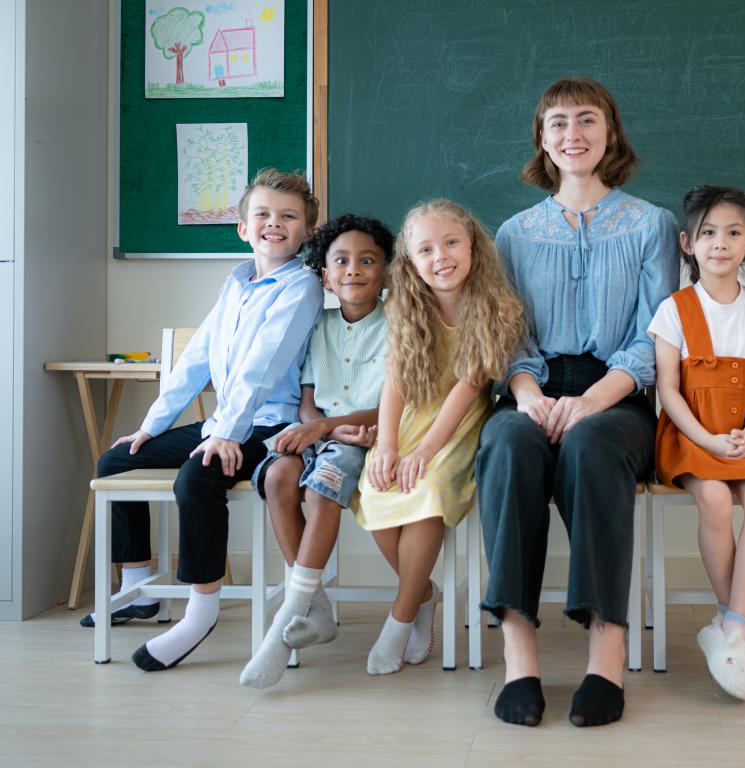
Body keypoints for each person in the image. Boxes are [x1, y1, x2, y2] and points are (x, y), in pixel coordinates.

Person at [477, 76, 678, 727]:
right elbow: (507, 336)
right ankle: (519, 656)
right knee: (505, 443)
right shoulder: (512, 233)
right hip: (533, 387)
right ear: (541, 139)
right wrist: (529, 396)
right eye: (557, 123)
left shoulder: (653, 224)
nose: (573, 134)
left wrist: (591, 400)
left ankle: (605, 652)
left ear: (610, 133)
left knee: (591, 445)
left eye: (586, 120)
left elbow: (657, 335)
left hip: (618, 394)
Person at [84, 168, 323, 672]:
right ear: (242, 227)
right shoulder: (236, 283)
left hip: (269, 427)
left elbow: (262, 369)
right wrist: (151, 425)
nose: (274, 224)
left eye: (288, 217)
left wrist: (227, 435)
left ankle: (202, 610)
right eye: (262, 214)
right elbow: (195, 361)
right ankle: (138, 586)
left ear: (306, 231)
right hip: (226, 422)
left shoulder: (300, 287)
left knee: (199, 475)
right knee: (116, 460)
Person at [356, 199, 524, 676]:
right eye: (425, 248)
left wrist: (427, 451)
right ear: (410, 259)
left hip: (460, 425)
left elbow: (469, 386)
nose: (440, 257)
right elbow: (395, 383)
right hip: (410, 420)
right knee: (378, 489)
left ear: (474, 247)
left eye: (451, 243)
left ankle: (399, 619)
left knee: (425, 491)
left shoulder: (500, 308)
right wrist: (387, 444)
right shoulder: (405, 306)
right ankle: (424, 594)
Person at [239, 213, 395, 689]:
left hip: (371, 437)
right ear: (324, 275)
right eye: (341, 261)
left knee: (322, 485)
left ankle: (286, 620)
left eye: (367, 260)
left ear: (386, 271)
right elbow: (307, 403)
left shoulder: (399, 325)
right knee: (277, 476)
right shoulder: (318, 326)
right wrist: (318, 430)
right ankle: (316, 605)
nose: (353, 270)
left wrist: (335, 428)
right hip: (324, 435)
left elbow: (394, 405)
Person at [650, 186, 745, 701]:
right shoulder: (675, 309)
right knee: (710, 498)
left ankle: (732, 628)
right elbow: (667, 388)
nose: (720, 243)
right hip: (691, 433)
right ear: (687, 243)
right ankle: (742, 629)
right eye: (708, 233)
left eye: (734, 233)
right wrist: (707, 437)